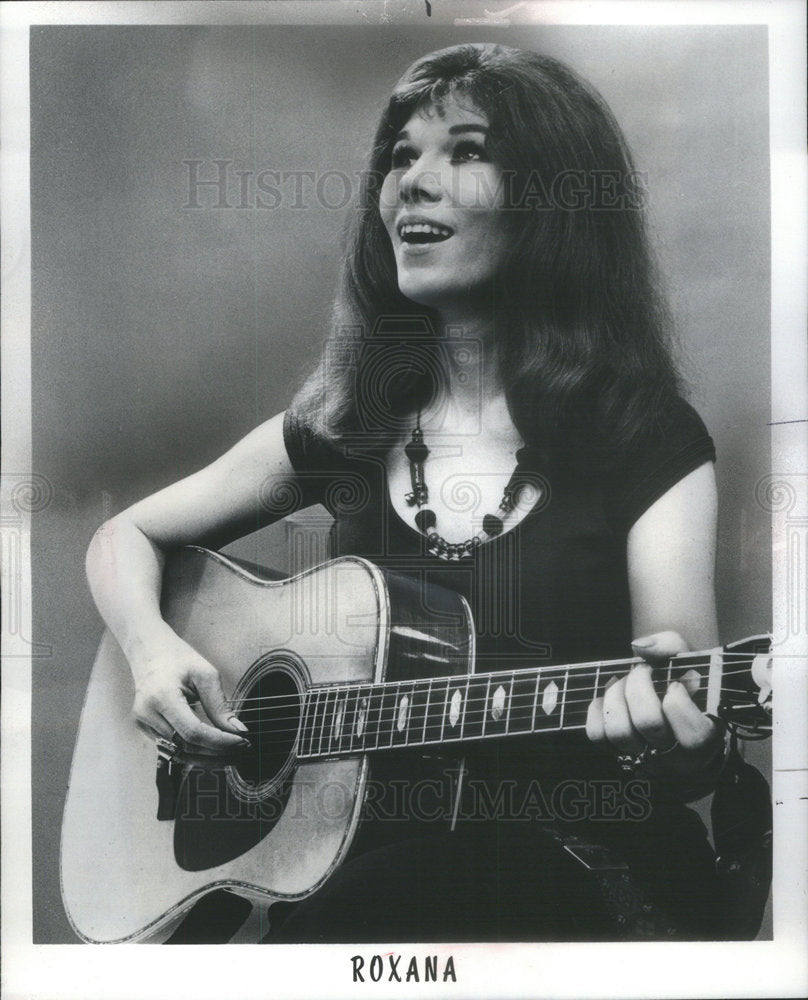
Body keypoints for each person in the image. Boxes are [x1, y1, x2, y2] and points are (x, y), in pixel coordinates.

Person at [85, 43, 731, 942]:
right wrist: (153, 652)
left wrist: (677, 745)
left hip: (576, 879)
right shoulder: (348, 422)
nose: (414, 184)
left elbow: (686, 731)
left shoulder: (646, 438)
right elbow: (124, 537)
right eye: (401, 155)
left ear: (555, 200)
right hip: (347, 880)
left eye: (467, 151)